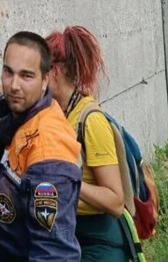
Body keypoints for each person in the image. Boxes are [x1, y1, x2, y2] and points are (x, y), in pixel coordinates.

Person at [0, 33, 82, 261]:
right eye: (8, 72)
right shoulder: (19, 110)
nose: (14, 85)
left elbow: (54, 254)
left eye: (26, 76)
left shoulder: (49, 155)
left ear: (45, 80)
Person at [46, 27, 130, 262]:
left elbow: (115, 202)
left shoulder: (90, 120)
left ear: (55, 72)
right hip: (75, 234)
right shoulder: (61, 111)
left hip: (101, 240)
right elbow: (16, 93)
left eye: (39, 70)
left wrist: (68, 179)